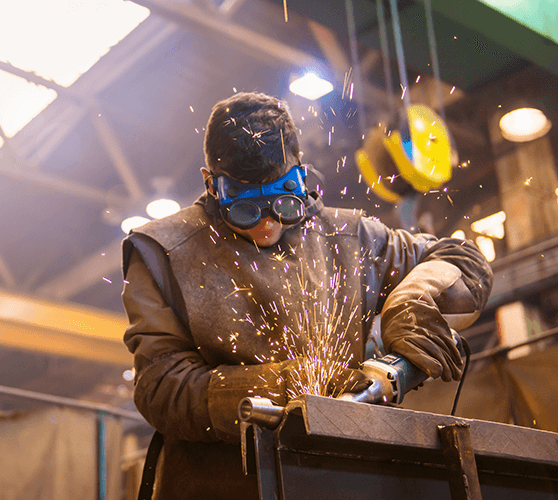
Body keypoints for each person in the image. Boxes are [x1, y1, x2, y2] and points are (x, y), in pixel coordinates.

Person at [121, 92, 493, 499]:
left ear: (299, 176)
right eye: (245, 210)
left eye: (283, 204)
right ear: (212, 184)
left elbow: (461, 259)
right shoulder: (162, 251)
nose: (266, 225)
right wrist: (289, 385)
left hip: (346, 481)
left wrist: (413, 299)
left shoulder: (351, 236)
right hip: (219, 486)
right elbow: (161, 387)